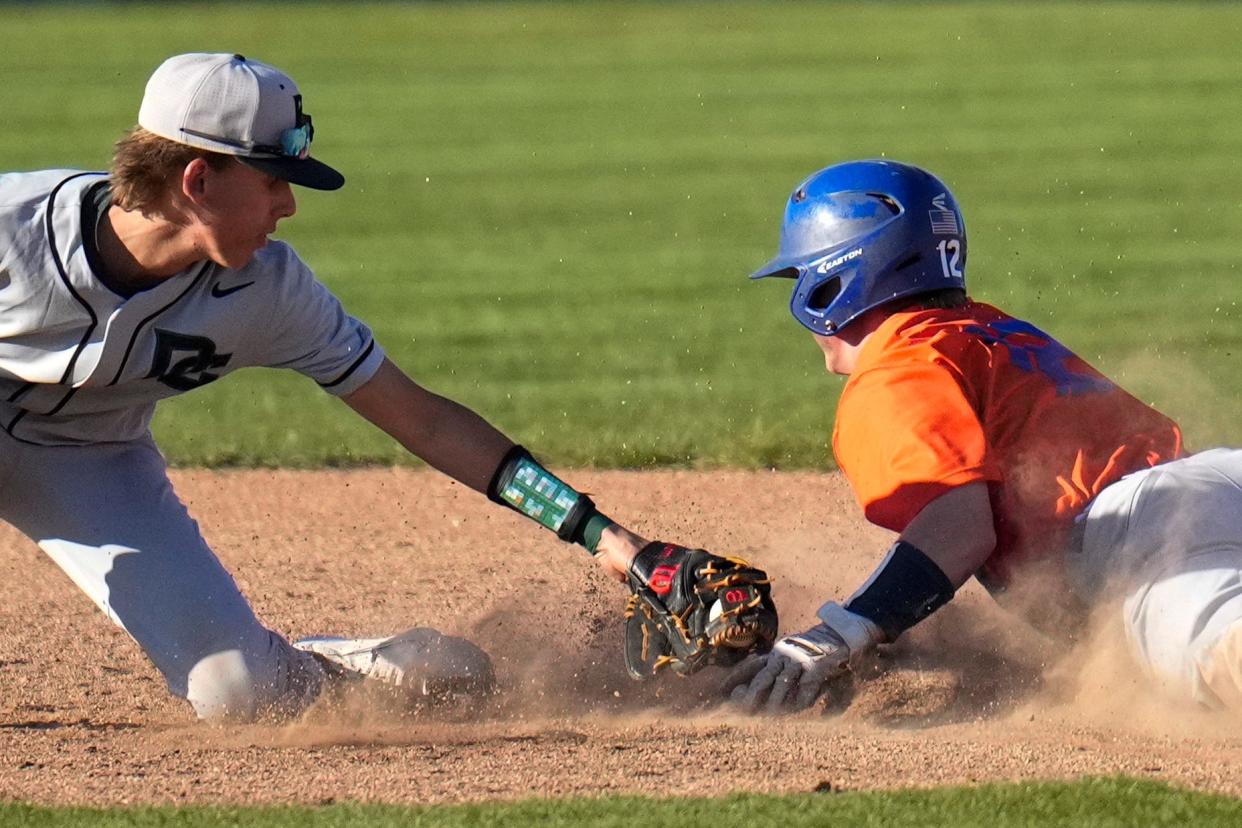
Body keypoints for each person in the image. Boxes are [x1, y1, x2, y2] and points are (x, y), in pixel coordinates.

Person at [0, 52, 654, 721]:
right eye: (272, 181)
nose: (288, 205)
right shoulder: (11, 233)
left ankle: (335, 668)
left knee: (245, 698)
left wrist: (602, 535)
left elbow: (422, 419)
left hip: (92, 461)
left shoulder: (268, 291)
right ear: (198, 180)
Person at [725, 159, 1242, 713]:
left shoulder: (896, 368)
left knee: (1226, 661)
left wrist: (844, 631)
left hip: (1147, 534)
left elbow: (959, 528)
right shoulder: (985, 330)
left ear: (833, 282)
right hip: (1212, 489)